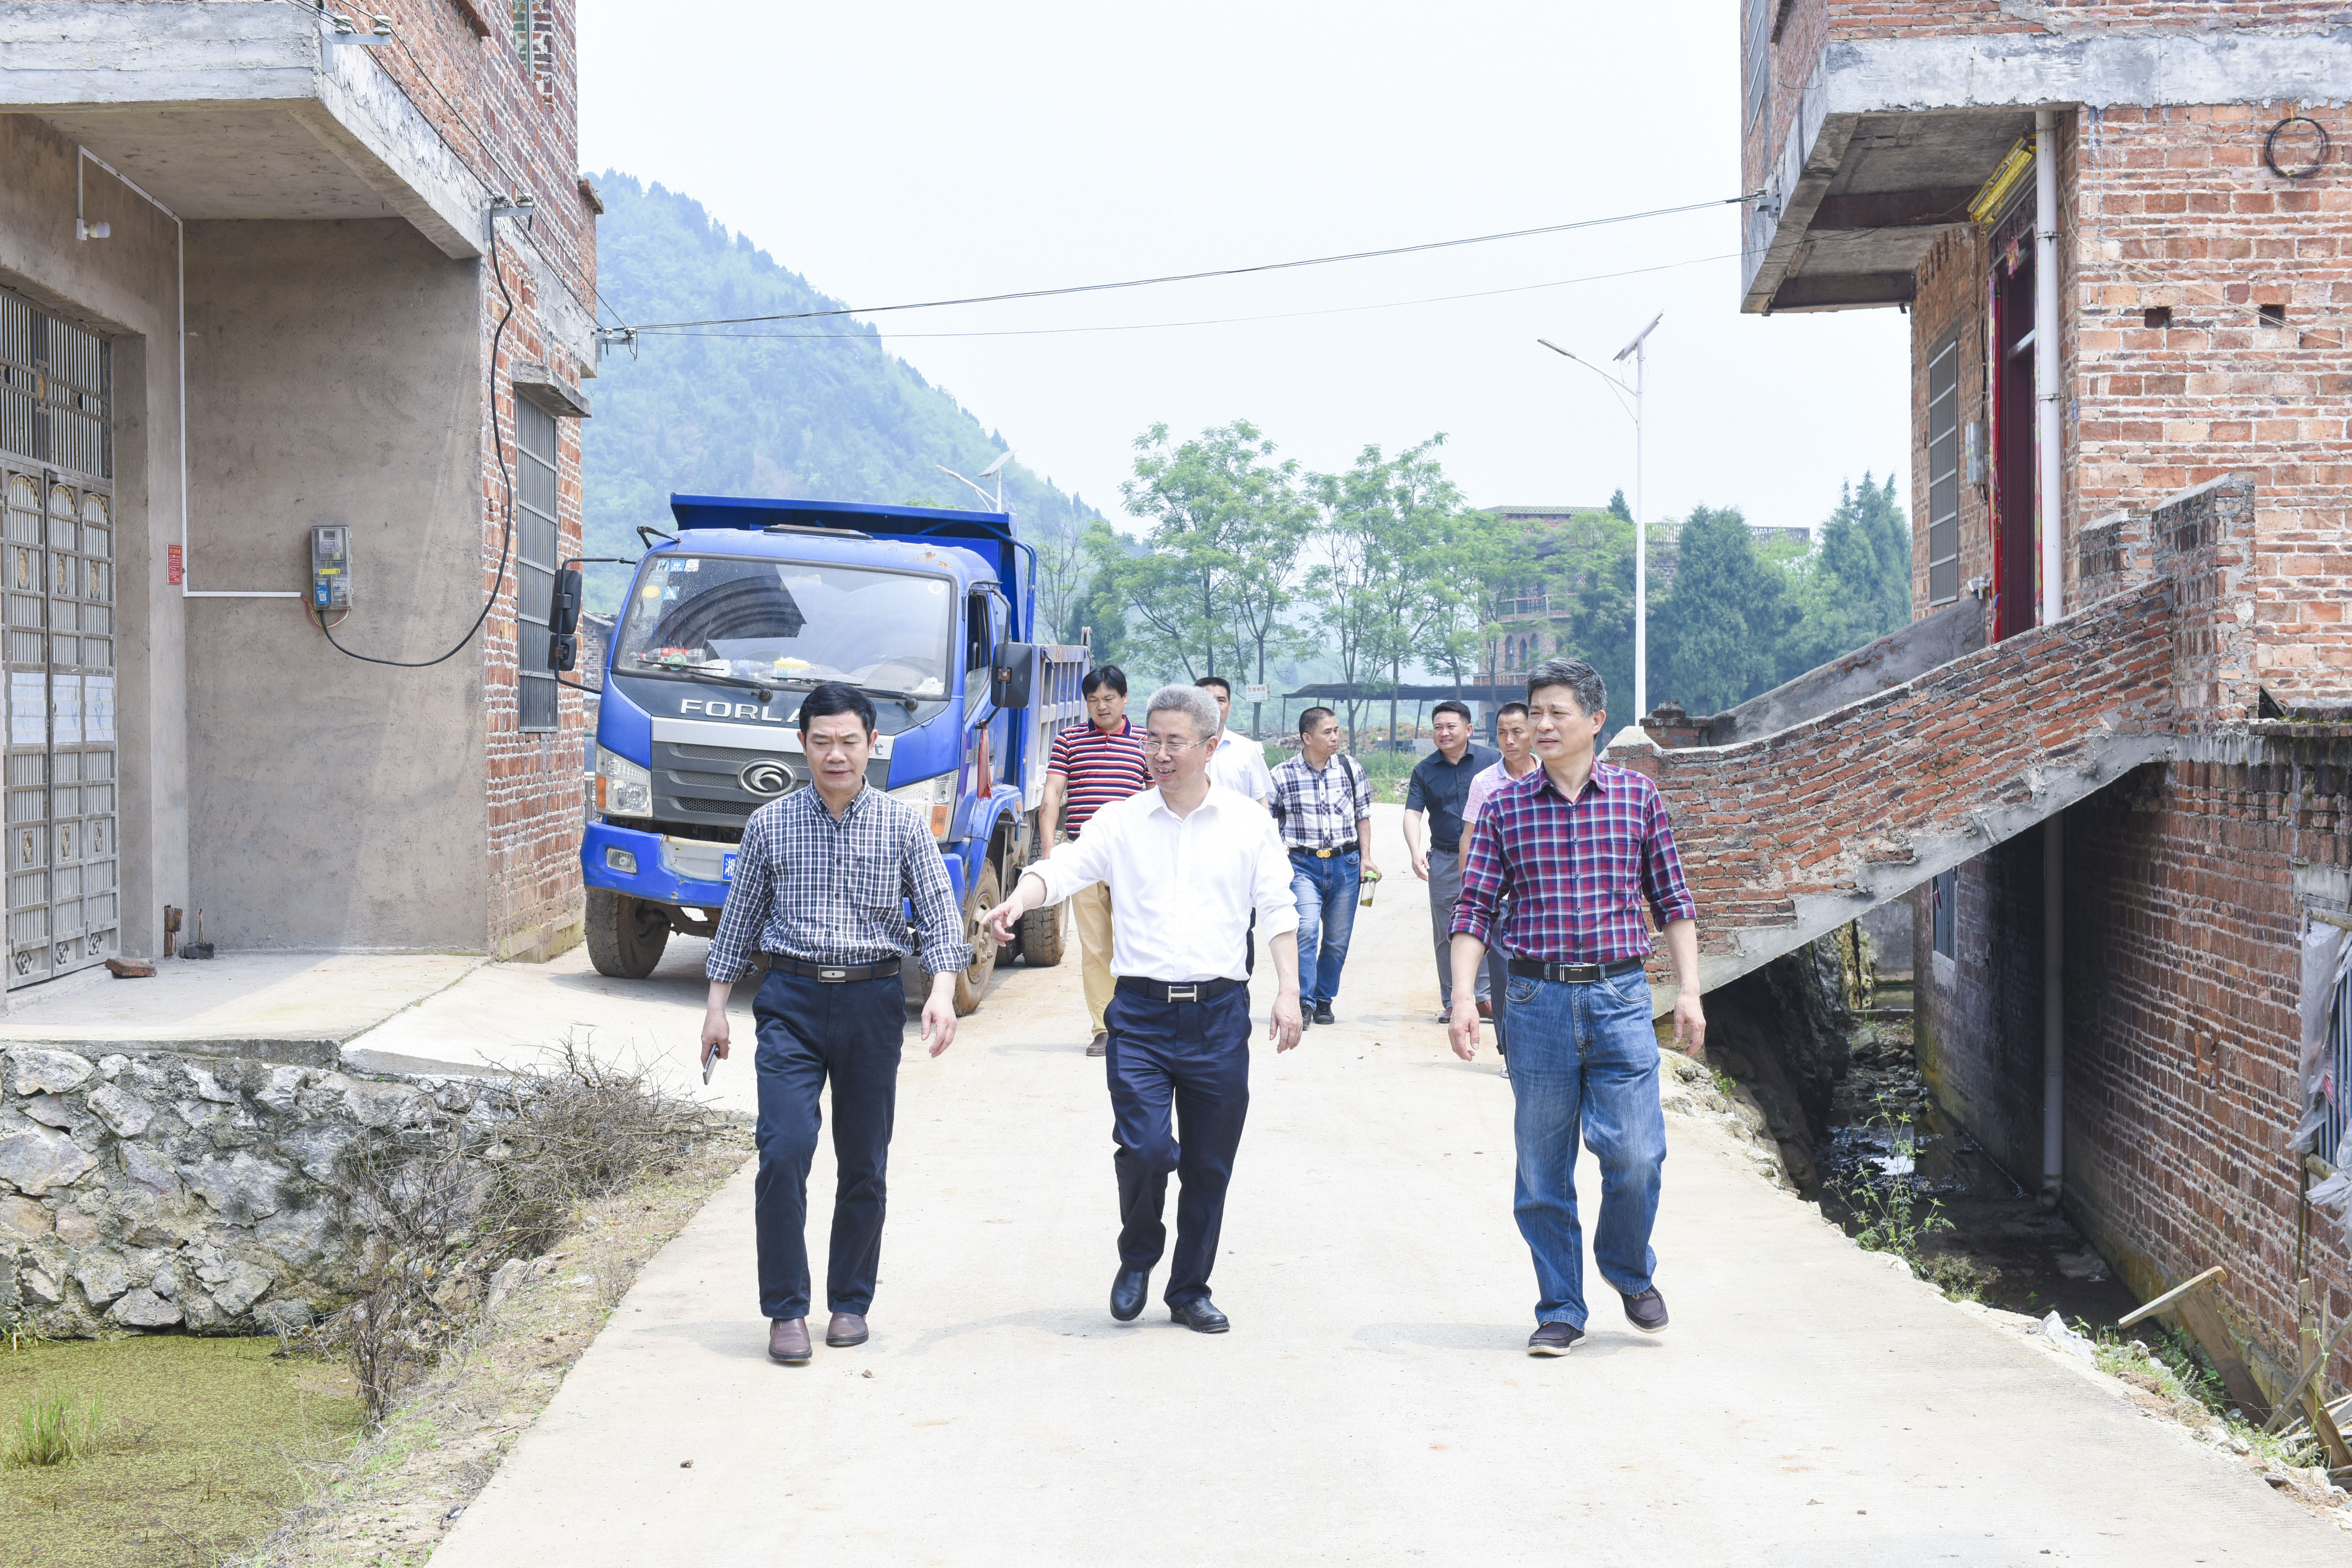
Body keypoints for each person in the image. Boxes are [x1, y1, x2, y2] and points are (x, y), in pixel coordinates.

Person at [984, 683, 1303, 1333]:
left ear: (1210, 747)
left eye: (1174, 742)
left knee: (1210, 1165)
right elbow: (1065, 866)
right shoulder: (1122, 821)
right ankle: (1138, 1254)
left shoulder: (1248, 825)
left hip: (1218, 1017)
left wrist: (1290, 991)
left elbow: (1277, 906)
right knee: (1146, 1149)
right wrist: (1019, 898)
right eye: (1151, 740)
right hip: (1140, 1016)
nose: (1159, 753)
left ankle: (1189, 1290)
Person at [700, 682, 973, 1367]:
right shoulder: (770, 824)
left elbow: (940, 915)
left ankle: (850, 1301)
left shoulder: (904, 825)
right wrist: (716, 1008)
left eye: (849, 741)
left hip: (871, 1002)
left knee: (864, 1161)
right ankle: (786, 1311)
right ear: (803, 745)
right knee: (783, 1150)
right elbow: (740, 920)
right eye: (821, 741)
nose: (836, 754)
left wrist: (942, 992)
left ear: (872, 744)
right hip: (790, 1001)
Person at [1446, 657, 1706, 1358]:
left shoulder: (1637, 798)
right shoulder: (1504, 807)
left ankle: (1627, 1268)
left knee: (1637, 1155)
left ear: (1595, 721)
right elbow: (1473, 907)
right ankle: (1561, 1306)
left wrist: (1688, 990)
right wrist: (1463, 998)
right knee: (1542, 1169)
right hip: (1535, 1001)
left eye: (1557, 712)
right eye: (1535, 712)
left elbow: (1673, 898)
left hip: (1621, 997)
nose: (1542, 725)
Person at [1042, 665, 1152, 1057]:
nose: (1101, 706)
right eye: (1093, 700)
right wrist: (1050, 853)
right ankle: (1106, 1028)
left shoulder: (1145, 741)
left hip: (1134, 859)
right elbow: (1052, 796)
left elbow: (1159, 797)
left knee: (1138, 944)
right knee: (1095, 948)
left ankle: (1141, 1025)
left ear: (1125, 699)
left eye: (1109, 698)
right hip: (1085, 856)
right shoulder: (1069, 740)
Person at [1268, 706, 1378, 1027]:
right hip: (1302, 865)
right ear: (1307, 737)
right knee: (1305, 931)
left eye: (1336, 731)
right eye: (1327, 732)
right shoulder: (1282, 775)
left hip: (1346, 863)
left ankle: (1324, 999)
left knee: (1337, 939)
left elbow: (1363, 816)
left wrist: (1367, 858)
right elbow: (1265, 821)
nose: (1335, 738)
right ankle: (1304, 1001)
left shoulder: (1350, 768)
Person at [1404, 700, 1499, 1023]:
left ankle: (1486, 997)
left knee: (1493, 925)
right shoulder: (1424, 770)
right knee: (1449, 931)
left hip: (1489, 857)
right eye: (1438, 728)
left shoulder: (1492, 761)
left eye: (1451, 727)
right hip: (1445, 859)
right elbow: (1412, 813)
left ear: (1468, 729)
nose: (1444, 733)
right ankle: (1453, 1000)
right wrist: (1415, 850)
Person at [1460, 701, 1539, 1072]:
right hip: (1502, 897)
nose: (1509, 740)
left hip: (1539, 896)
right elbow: (1470, 837)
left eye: (1517, 732)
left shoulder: (1550, 775)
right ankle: (1512, 1051)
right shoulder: (1485, 782)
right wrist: (1471, 889)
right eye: (1502, 733)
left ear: (1532, 733)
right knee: (1505, 976)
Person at [1196, 676, 1275, 804]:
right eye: (1208, 700)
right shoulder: (1181, 748)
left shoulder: (1248, 750)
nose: (1215, 706)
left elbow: (1260, 801)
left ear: (1229, 707)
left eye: (1221, 700)